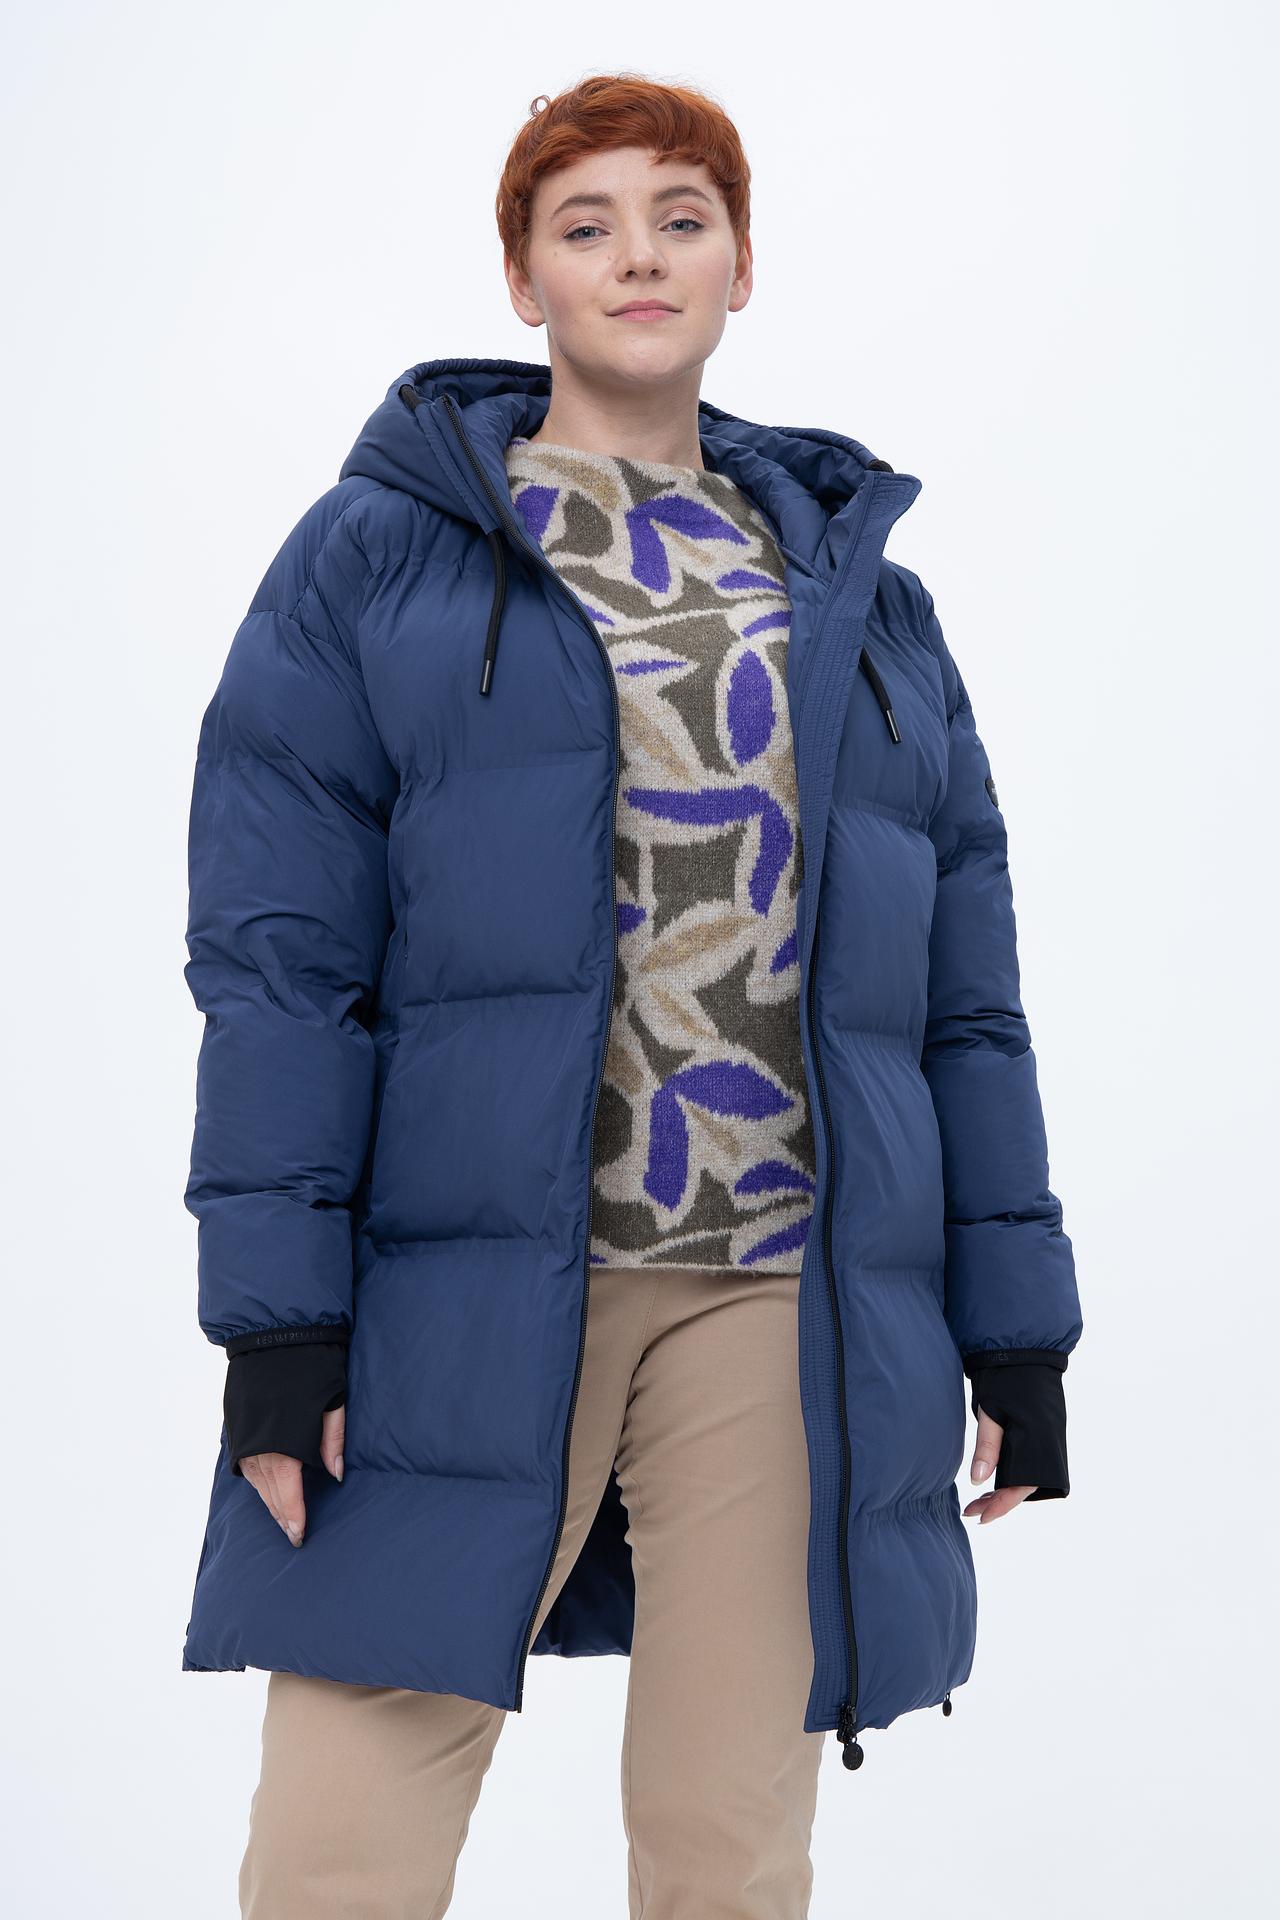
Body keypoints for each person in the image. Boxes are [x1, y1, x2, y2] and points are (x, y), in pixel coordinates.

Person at [180, 72, 1083, 1919]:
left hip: (777, 1289)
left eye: (682, 217)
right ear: (523, 280)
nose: (639, 256)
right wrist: (278, 1321)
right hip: (465, 1277)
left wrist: (1019, 1332)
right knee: (344, 1841)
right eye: (584, 224)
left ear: (743, 264)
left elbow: (964, 1000)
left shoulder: (859, 599)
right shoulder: (375, 559)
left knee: (728, 1840)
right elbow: (280, 962)